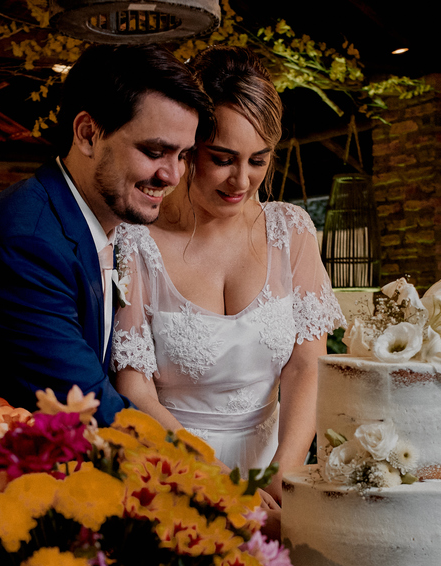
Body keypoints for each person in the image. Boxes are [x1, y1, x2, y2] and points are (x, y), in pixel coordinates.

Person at [0, 45, 211, 424]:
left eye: (182, 155)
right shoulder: (27, 244)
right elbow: (89, 408)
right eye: (154, 151)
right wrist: (213, 478)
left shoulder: (100, 226)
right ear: (87, 135)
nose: (173, 175)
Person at [111, 47, 344, 504]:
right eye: (222, 158)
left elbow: (305, 366)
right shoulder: (136, 241)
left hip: (276, 465)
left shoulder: (291, 231)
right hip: (176, 468)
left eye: (258, 160)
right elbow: (133, 386)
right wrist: (214, 480)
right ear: (188, 147)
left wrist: (285, 468)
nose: (241, 180)